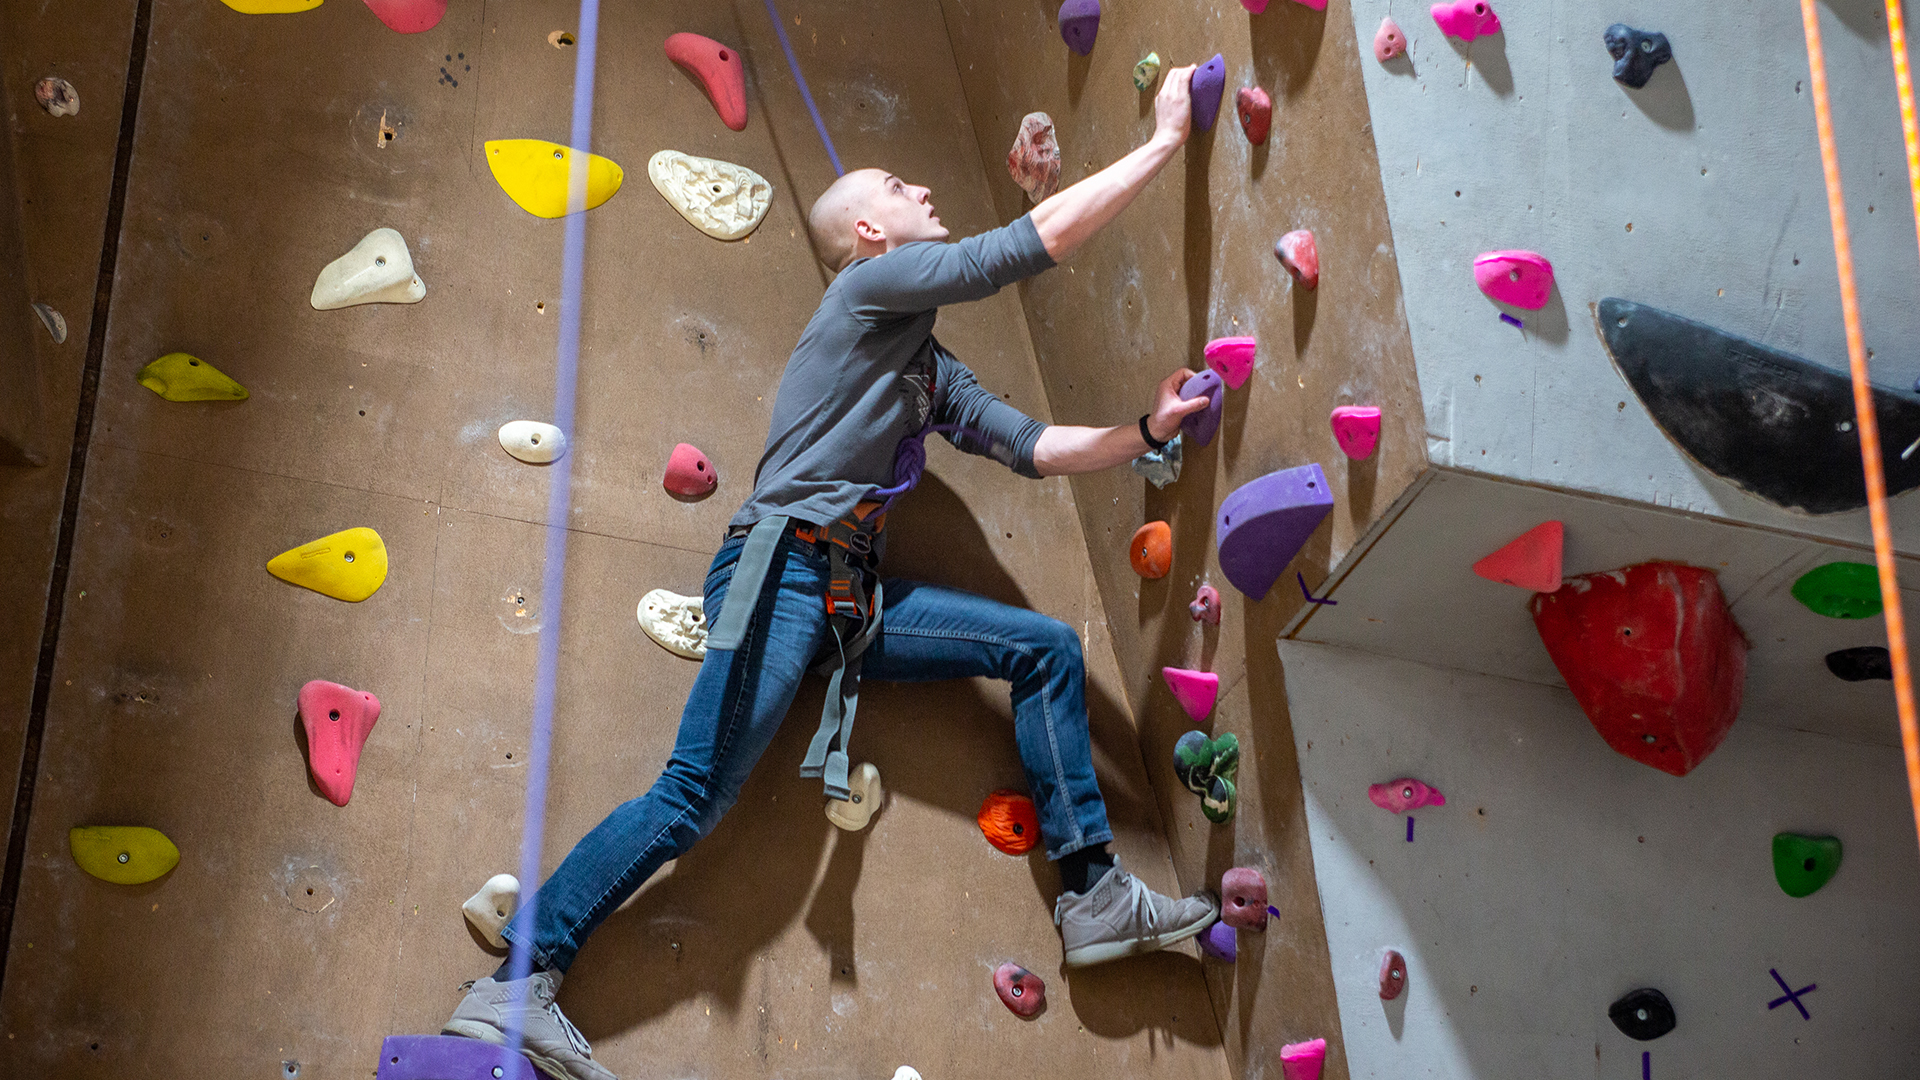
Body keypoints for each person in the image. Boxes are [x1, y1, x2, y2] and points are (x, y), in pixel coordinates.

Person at [445, 66, 1212, 1080]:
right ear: (871, 239)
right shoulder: (865, 290)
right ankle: (513, 983)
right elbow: (1032, 247)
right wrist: (1163, 142)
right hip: (784, 574)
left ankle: (1094, 894)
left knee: (1045, 650)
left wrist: (1147, 432)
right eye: (900, 186)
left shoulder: (924, 367)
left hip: (842, 604)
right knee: (690, 798)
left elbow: (1029, 445)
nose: (924, 192)